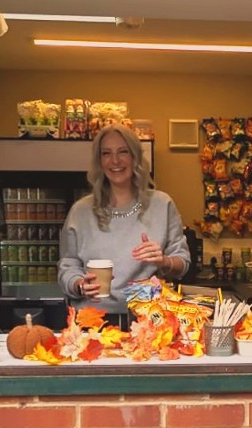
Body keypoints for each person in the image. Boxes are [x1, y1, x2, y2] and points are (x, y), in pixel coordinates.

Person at [58, 124, 191, 320]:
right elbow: (67, 266)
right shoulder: (81, 211)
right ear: (99, 161)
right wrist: (79, 284)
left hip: (148, 321)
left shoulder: (162, 204)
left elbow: (183, 262)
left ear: (135, 157)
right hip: (92, 321)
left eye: (123, 152)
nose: (115, 161)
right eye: (106, 153)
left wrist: (164, 261)